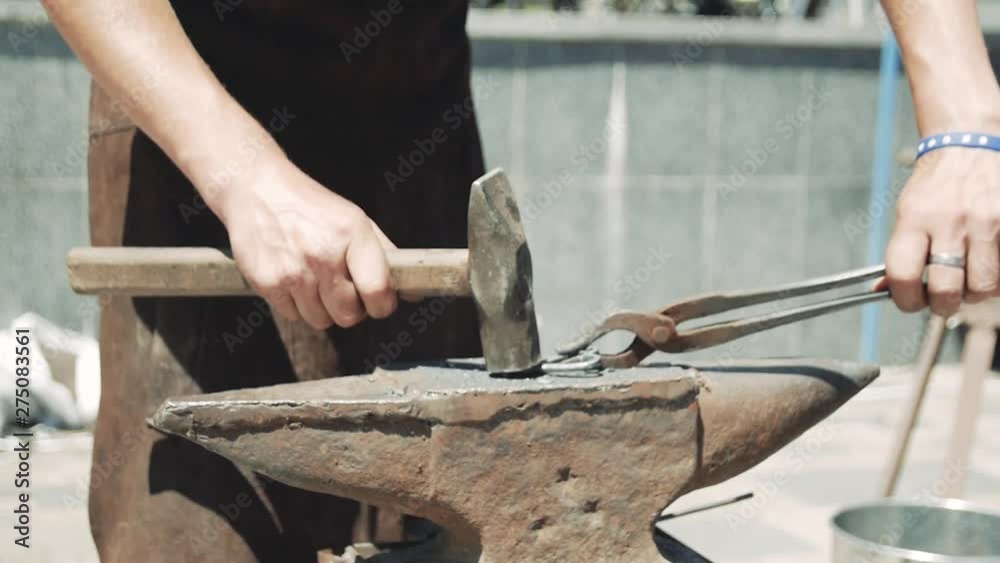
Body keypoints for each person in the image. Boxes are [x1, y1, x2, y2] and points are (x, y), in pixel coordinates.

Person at [39, 0, 997, 561]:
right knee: (192, 534)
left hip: (415, 115)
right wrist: (243, 175)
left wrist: (965, 125)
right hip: (191, 111)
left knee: (434, 529)